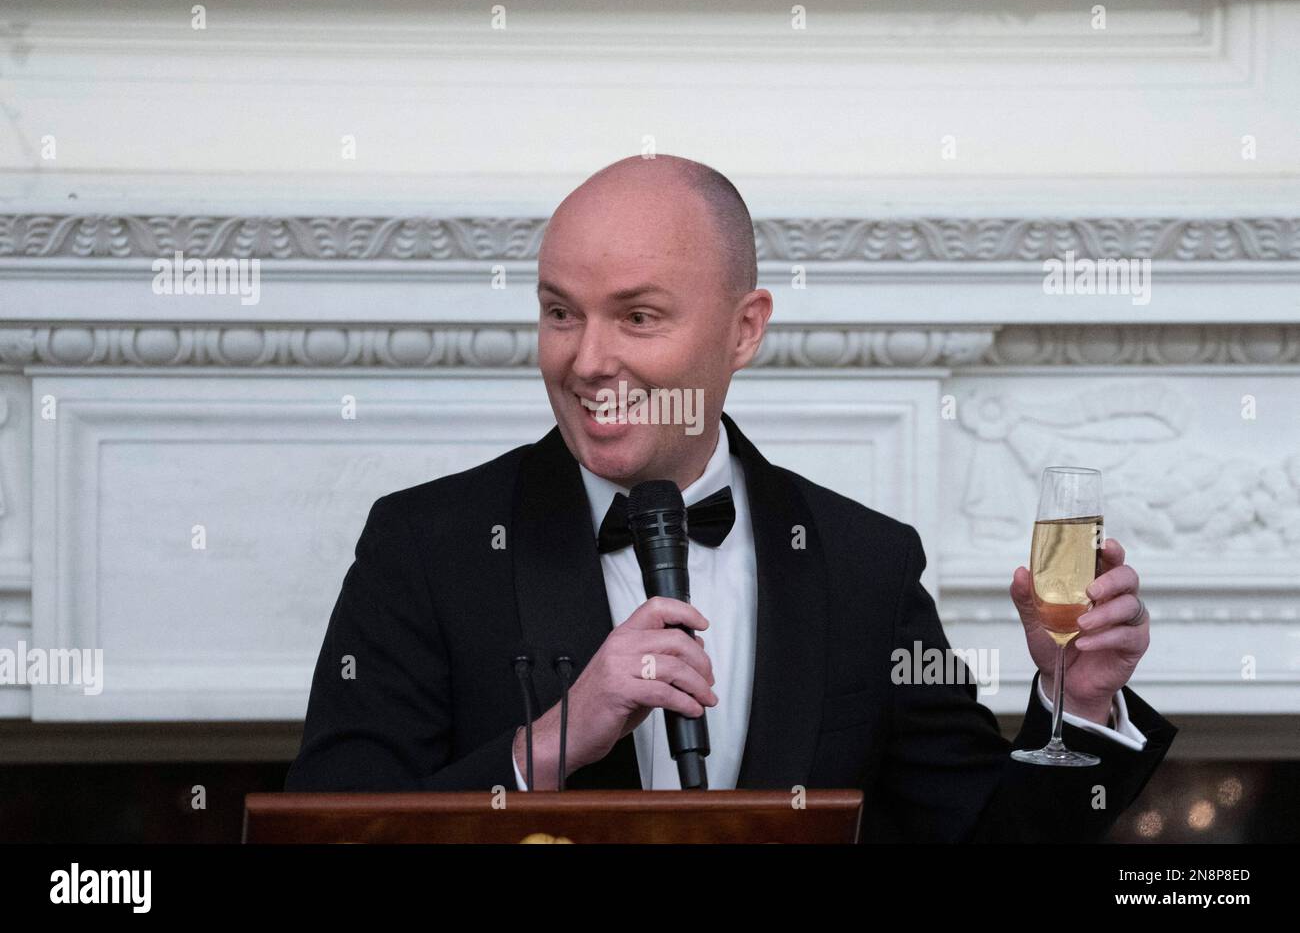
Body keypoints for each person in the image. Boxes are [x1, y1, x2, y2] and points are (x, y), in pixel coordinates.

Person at [285, 154, 1176, 841]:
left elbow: (980, 840)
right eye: (561, 313)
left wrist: (1078, 706)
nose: (587, 360)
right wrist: (554, 742)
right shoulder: (423, 546)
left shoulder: (867, 564)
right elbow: (324, 834)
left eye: (637, 317)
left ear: (744, 329)